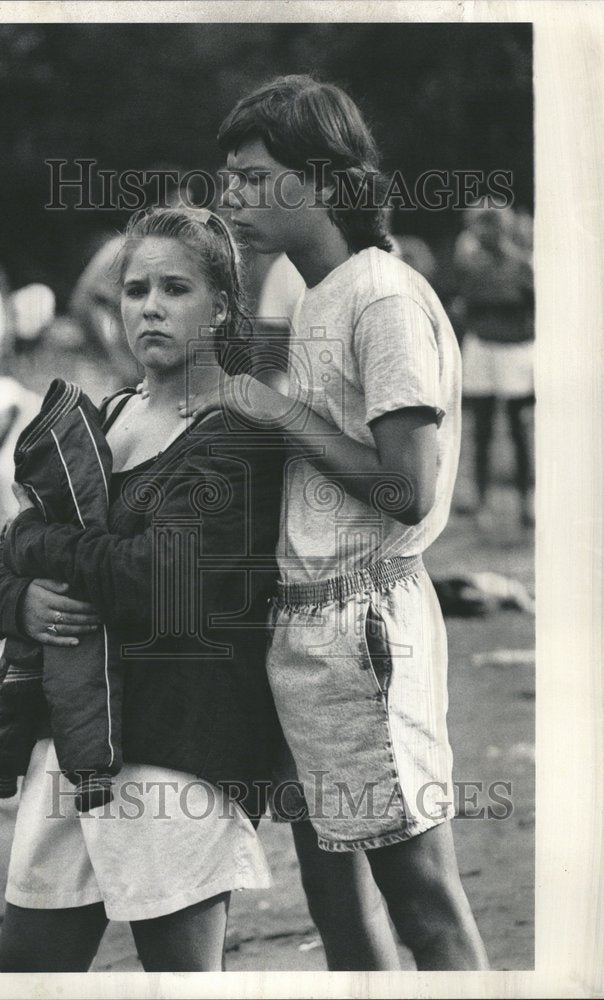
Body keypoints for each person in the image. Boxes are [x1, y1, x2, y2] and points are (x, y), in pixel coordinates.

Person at [182, 74, 489, 971]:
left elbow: (411, 488)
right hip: (307, 628)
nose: (227, 197)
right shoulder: (313, 293)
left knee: (420, 896)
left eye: (248, 177)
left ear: (319, 179)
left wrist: (276, 412)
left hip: (367, 629)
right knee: (330, 887)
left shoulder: (383, 297)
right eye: (226, 178)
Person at [0, 206, 286, 972]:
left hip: (177, 741)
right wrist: (24, 601)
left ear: (221, 306)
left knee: (180, 978)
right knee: (28, 969)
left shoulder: (237, 426)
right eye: (136, 288)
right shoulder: (103, 417)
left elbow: (164, 576)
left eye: (174, 288)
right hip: (74, 731)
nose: (149, 305)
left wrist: (39, 544)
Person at [453, 203, 535, 528]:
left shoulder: (521, 265)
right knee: (482, 427)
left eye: (491, 225)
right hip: (483, 348)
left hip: (514, 350)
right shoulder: (470, 266)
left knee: (518, 428)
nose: (484, 232)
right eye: (479, 226)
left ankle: (527, 500)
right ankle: (481, 499)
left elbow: (533, 308)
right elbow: (464, 306)